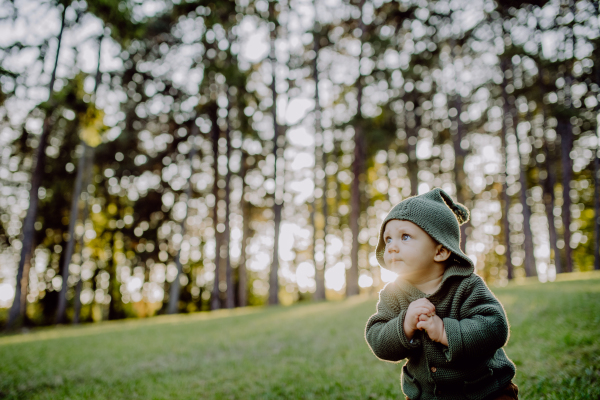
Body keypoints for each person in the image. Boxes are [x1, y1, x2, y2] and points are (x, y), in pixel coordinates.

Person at [364, 188, 518, 400]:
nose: (392, 247)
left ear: (440, 251)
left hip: (484, 390)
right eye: (388, 239)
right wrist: (405, 324)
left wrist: (445, 331)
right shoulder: (393, 294)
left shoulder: (466, 285)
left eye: (405, 237)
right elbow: (378, 339)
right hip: (426, 395)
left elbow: (495, 326)